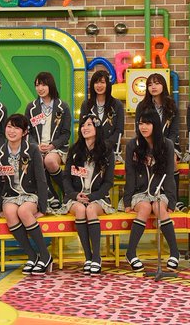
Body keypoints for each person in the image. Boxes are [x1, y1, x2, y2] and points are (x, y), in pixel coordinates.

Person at [0, 114, 52, 275]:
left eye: (17, 128)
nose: (11, 131)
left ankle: (45, 255)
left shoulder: (32, 149)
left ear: (24, 132)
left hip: (30, 194)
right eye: (9, 127)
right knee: (10, 212)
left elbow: (41, 179)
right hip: (10, 195)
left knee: (23, 211)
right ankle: (32, 256)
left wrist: (43, 207)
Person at [123, 109, 180, 272]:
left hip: (159, 191)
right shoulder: (133, 145)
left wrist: (172, 200)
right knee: (146, 207)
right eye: (141, 123)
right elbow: (130, 174)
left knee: (158, 206)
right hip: (139, 192)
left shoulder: (167, 145)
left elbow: (169, 175)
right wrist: (127, 201)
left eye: (147, 123)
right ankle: (131, 252)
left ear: (155, 125)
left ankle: (174, 253)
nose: (143, 127)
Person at [59, 113, 115, 275]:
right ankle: (88, 257)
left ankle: (96, 257)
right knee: (80, 209)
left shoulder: (106, 152)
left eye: (89, 124)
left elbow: (108, 182)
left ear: (97, 128)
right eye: (83, 125)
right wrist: (74, 195)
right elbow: (66, 178)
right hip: (76, 196)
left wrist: (92, 197)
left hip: (98, 197)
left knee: (90, 209)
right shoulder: (74, 150)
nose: (85, 128)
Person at [134, 73, 183, 211]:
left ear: (163, 85)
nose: (153, 87)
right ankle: (146, 194)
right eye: (150, 84)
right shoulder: (142, 106)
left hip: (168, 144)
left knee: (172, 160)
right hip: (147, 144)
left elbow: (174, 132)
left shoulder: (172, 106)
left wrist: (165, 146)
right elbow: (139, 130)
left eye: (156, 83)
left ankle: (174, 199)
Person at [24, 72, 72, 209]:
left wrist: (52, 146)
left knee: (49, 160)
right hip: (37, 147)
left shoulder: (63, 107)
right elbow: (27, 132)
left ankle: (68, 192)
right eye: (37, 85)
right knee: (37, 159)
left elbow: (66, 134)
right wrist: (35, 145)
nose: (40, 88)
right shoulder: (31, 108)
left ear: (50, 85)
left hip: (56, 148)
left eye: (43, 85)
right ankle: (51, 196)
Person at [79, 70, 125, 160]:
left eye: (102, 82)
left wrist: (106, 144)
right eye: (96, 82)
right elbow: (82, 127)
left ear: (108, 84)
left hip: (110, 148)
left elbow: (119, 130)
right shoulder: (86, 104)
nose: (99, 85)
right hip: (89, 148)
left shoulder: (117, 104)